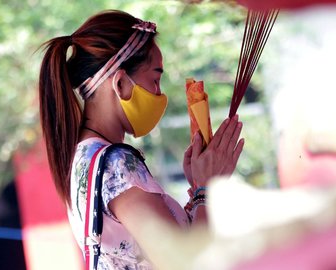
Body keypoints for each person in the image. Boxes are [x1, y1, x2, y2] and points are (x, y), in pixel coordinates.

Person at [38, 10, 244, 269]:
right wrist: (206, 188)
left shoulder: (85, 158)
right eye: (155, 79)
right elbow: (187, 261)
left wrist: (198, 191)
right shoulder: (116, 164)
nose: (159, 94)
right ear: (121, 83)